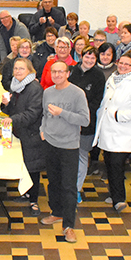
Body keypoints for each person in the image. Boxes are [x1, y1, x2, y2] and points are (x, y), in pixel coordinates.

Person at [39, 61, 90, 243]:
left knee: (68, 187)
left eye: (61, 72)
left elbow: (85, 120)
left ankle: (69, 226)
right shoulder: (47, 92)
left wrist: (62, 112)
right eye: (54, 72)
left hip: (69, 145)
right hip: (50, 143)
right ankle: (56, 212)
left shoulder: (77, 93)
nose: (57, 75)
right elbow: (45, 115)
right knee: (53, 182)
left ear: (68, 73)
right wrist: (43, 130)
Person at [93, 51, 131, 212]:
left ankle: (119, 199)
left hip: (124, 131)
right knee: (109, 163)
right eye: (121, 63)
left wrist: (119, 116)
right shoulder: (113, 78)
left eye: (127, 64)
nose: (123, 66)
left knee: (117, 165)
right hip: (108, 129)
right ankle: (114, 193)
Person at [0, 58, 46, 215]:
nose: (18, 71)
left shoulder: (34, 88)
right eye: (16, 68)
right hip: (20, 132)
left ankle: (34, 201)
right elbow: (13, 108)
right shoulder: (17, 85)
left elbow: (32, 113)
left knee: (32, 167)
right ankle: (26, 192)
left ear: (30, 71)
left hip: (31, 134)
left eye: (21, 69)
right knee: (24, 164)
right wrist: (6, 104)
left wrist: (12, 120)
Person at [68, 46, 106, 204]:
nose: (89, 60)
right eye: (87, 57)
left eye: (93, 58)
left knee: (82, 157)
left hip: (86, 123)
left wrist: (81, 117)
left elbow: (96, 102)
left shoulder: (99, 76)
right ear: (81, 56)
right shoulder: (71, 71)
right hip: (68, 122)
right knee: (68, 158)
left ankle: (76, 189)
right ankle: (67, 188)